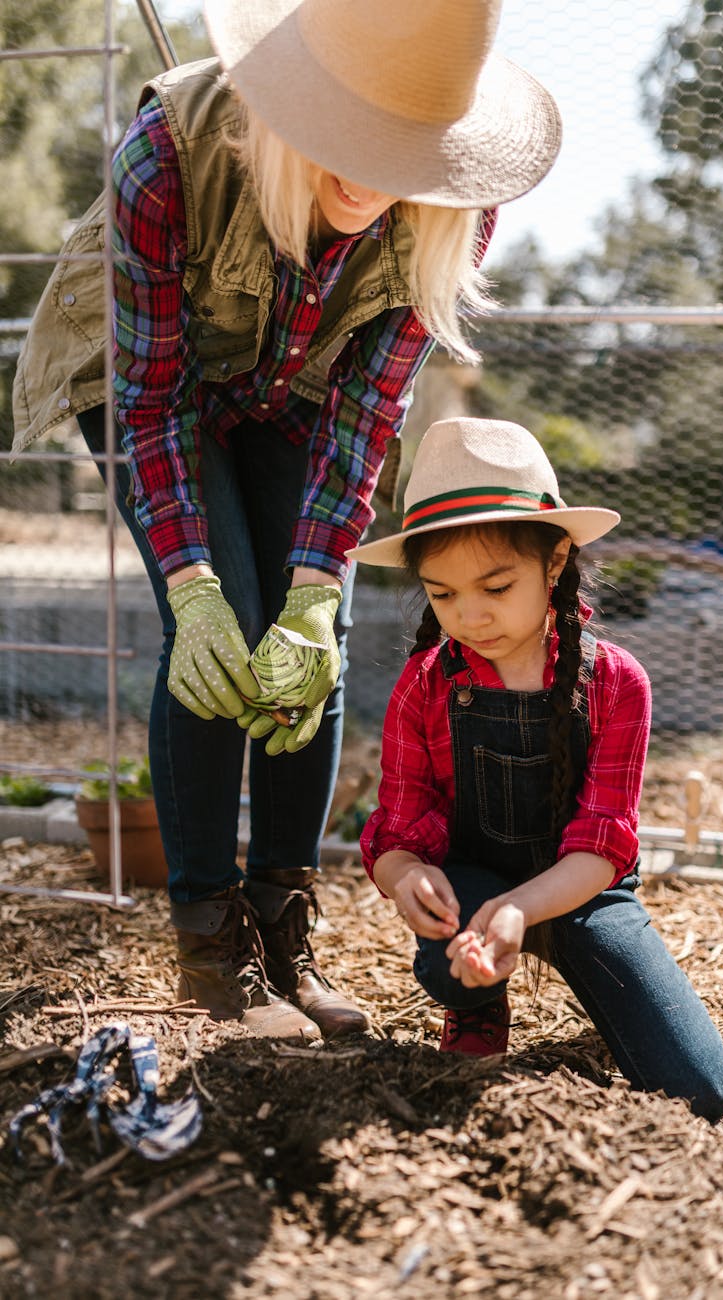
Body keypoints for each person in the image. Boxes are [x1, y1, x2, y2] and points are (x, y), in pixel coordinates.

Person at [11, 0, 562, 1043]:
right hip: (154, 387)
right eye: (353, 138)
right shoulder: (168, 156)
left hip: (302, 398)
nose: (372, 176)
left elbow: (366, 412)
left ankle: (282, 932)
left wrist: (314, 593)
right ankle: (211, 947)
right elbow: (155, 399)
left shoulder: (458, 205)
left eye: (405, 151)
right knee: (217, 625)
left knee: (317, 632)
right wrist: (192, 582)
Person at [352, 417, 723, 1120]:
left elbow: (603, 843)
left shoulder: (617, 682)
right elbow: (397, 826)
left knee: (700, 1091)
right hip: (471, 885)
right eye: (442, 594)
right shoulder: (423, 683)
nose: (468, 615)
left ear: (554, 562)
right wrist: (407, 878)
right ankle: (475, 1006)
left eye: (495, 587)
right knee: (446, 966)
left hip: (584, 891)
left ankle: (602, 992)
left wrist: (520, 909)